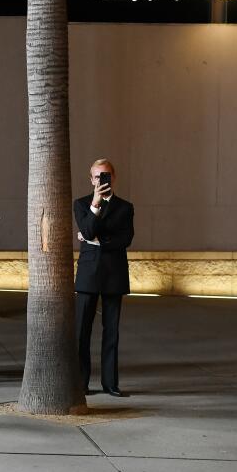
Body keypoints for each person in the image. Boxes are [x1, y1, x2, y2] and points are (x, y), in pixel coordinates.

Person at [73, 158, 135, 397]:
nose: (101, 180)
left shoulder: (125, 207)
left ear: (114, 177)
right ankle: (81, 382)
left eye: (106, 175)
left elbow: (125, 239)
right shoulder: (81, 204)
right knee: (82, 332)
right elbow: (87, 229)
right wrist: (96, 205)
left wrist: (98, 241)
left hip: (114, 275)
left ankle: (110, 383)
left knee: (112, 332)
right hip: (88, 274)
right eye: (97, 176)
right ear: (91, 179)